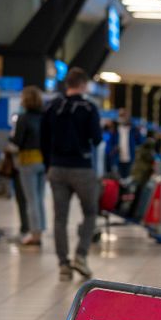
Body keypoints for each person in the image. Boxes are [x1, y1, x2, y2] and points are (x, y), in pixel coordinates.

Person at [41, 67, 103, 280]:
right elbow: (96, 139)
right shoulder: (88, 108)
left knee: (60, 218)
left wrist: (49, 163)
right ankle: (81, 256)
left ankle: (63, 266)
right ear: (83, 85)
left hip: (57, 168)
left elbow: (43, 139)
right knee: (90, 212)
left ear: (67, 84)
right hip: (82, 168)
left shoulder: (52, 107)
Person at [11, 86, 47, 246]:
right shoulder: (45, 117)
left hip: (27, 161)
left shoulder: (23, 118)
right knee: (39, 198)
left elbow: (17, 141)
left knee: (30, 199)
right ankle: (40, 229)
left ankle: (34, 233)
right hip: (43, 160)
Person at [109, 109, 142, 179]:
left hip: (130, 159)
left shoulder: (133, 130)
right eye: (121, 116)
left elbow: (140, 142)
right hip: (118, 159)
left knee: (128, 179)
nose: (122, 118)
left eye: (124, 116)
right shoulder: (115, 130)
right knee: (119, 179)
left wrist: (138, 132)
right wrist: (113, 149)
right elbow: (110, 144)